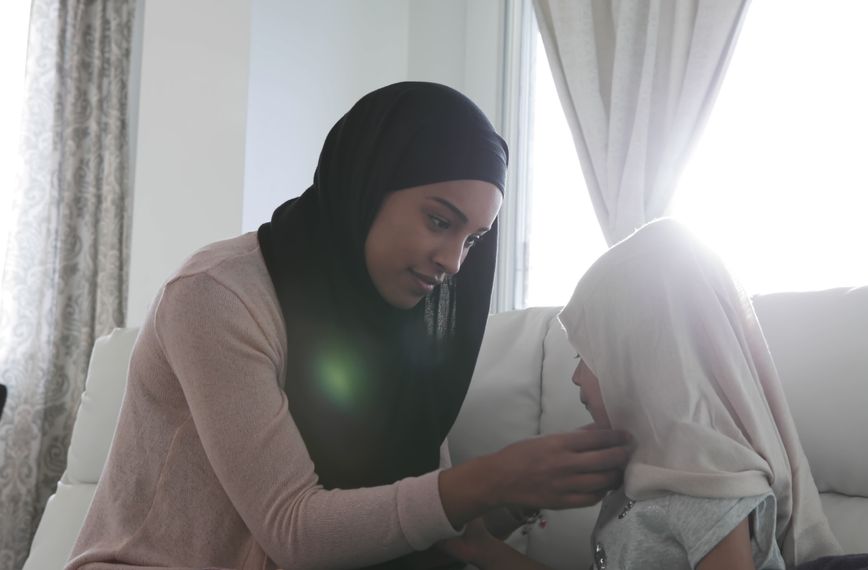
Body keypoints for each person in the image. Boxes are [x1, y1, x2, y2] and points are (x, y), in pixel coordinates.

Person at [66, 82, 631, 570]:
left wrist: (533, 486)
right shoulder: (218, 295)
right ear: (367, 181)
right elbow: (294, 529)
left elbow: (422, 525)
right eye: (439, 221)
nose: (454, 262)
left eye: (473, 240)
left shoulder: (401, 327)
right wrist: (489, 479)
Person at [439, 218, 843, 569]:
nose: (577, 377)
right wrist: (485, 551)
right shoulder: (643, 478)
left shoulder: (711, 491)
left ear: (644, 365)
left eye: (586, 357)